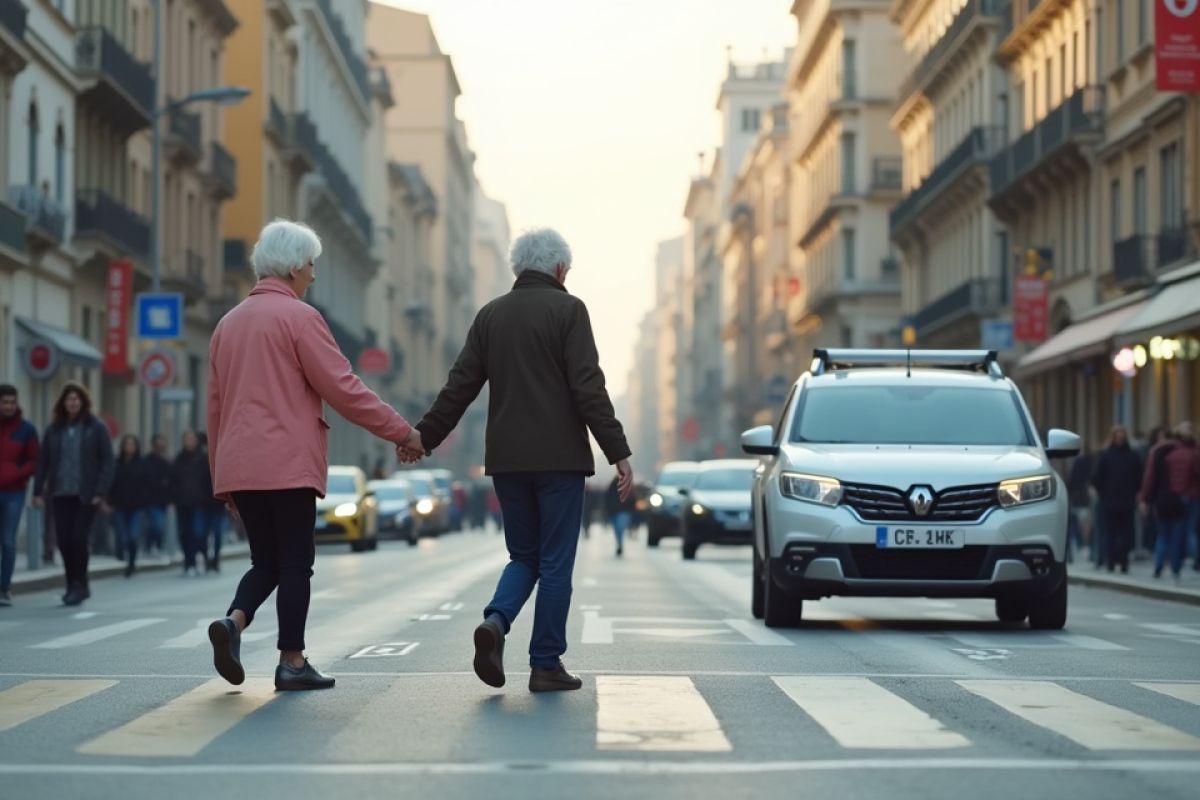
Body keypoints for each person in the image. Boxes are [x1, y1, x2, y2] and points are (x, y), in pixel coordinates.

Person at [404, 227, 633, 694]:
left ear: (518, 268)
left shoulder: (491, 316)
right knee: (555, 564)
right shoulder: (569, 310)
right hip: (560, 461)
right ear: (559, 269)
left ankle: (496, 620)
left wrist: (423, 437)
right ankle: (545, 663)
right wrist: (618, 452)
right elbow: (587, 386)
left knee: (523, 556)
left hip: (507, 462)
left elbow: (460, 385)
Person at [204, 219, 423, 692]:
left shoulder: (227, 325)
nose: (314, 275)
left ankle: (233, 624)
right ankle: (292, 661)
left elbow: (216, 409)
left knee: (265, 561)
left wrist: (220, 478)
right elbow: (344, 390)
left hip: (241, 465)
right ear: (291, 266)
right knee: (295, 564)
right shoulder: (301, 320)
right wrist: (402, 431)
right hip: (288, 466)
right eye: (310, 264)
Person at [32, 382, 114, 606]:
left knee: (79, 539)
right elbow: (44, 463)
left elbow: (108, 461)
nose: (73, 403)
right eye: (69, 399)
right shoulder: (54, 430)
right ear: (63, 403)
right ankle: (71, 584)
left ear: (83, 402)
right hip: (60, 493)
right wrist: (37, 490)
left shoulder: (95, 427)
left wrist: (100, 491)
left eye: (76, 399)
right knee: (65, 541)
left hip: (86, 495)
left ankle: (81, 584)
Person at [1140, 421, 1200, 582]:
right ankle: (1177, 568)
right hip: (1182, 498)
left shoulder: (1158, 452)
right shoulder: (1190, 452)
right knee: (1179, 535)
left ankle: (1159, 566)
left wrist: (1145, 498)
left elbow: (1150, 478)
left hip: (1162, 499)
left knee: (1163, 535)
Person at [0, 384, 39, 606]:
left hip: (14, 492)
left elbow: (34, 460)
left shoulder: (26, 430)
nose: (8, 406)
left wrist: (17, 472)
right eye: (5, 402)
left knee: (7, 541)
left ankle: (4, 588)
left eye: (12, 402)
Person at [1091, 425, 1142, 573]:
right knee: (1111, 533)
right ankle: (1111, 561)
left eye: (1122, 436)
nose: (1120, 439)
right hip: (1110, 501)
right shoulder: (1106, 455)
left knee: (1125, 533)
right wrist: (1102, 493)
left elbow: (1139, 477)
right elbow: (1097, 477)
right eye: (1117, 436)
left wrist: (1137, 493)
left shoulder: (1132, 456)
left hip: (1126, 501)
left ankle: (1123, 561)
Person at [108, 435, 148, 578]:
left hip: (137, 506)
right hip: (120, 505)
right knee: (122, 535)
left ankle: (131, 563)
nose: (129, 447)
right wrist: (109, 502)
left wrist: (145, 501)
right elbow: (111, 484)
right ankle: (122, 556)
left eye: (132, 444)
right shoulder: (116, 463)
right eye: (127, 444)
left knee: (133, 536)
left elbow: (147, 485)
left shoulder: (142, 464)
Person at [172, 430, 210, 577]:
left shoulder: (204, 459)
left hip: (199, 503)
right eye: (186, 439)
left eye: (191, 438)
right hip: (182, 504)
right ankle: (189, 562)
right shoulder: (179, 459)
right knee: (184, 534)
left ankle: (201, 556)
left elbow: (209, 481)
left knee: (198, 533)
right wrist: (173, 499)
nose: (189, 441)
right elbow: (173, 481)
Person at [142, 434, 172, 555]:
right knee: (156, 525)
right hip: (150, 499)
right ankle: (151, 544)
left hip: (162, 500)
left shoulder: (167, 462)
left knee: (158, 526)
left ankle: (154, 544)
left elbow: (170, 481)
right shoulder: (146, 461)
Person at [1064, 447, 1093, 564]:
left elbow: (1072, 480)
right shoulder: (1084, 461)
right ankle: (1082, 544)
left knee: (1078, 521)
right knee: (1081, 521)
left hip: (1078, 497)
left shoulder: (1078, 461)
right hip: (1081, 497)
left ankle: (1081, 543)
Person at [605, 473, 636, 557]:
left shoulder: (614, 487)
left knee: (618, 529)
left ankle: (619, 543)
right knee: (619, 529)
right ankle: (619, 543)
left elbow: (607, 499)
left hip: (620, 511)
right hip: (619, 511)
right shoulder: (620, 486)